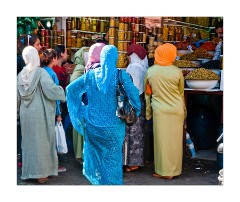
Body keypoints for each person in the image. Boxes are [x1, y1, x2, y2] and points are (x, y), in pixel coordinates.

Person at [66, 45, 141, 185]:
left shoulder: (91, 75)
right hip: (114, 128)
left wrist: (82, 111)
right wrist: (135, 111)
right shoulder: (121, 75)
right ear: (115, 58)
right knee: (112, 161)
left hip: (93, 127)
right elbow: (134, 95)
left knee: (97, 161)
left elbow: (71, 90)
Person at [17, 46, 65, 184]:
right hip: (39, 113)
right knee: (41, 143)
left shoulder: (20, 75)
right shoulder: (40, 73)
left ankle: (29, 172)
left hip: (26, 114)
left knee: (28, 143)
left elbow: (17, 98)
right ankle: (41, 174)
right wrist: (61, 91)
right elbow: (51, 90)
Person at [144, 43, 187, 180]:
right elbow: (181, 93)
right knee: (175, 142)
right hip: (176, 110)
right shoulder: (177, 71)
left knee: (161, 142)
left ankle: (164, 171)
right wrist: (184, 112)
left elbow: (147, 94)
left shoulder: (151, 71)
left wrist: (148, 112)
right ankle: (174, 170)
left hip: (160, 111)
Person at [123, 44, 148, 172]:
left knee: (132, 133)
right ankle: (135, 161)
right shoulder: (143, 68)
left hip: (133, 104)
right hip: (140, 102)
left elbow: (133, 89)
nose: (128, 58)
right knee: (138, 133)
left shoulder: (134, 68)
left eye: (129, 55)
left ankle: (132, 162)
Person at [69, 46, 89, 163]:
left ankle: (80, 154)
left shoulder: (81, 67)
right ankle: (79, 155)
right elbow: (73, 85)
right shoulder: (81, 68)